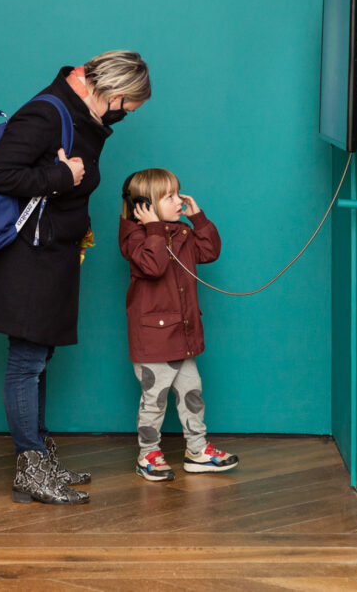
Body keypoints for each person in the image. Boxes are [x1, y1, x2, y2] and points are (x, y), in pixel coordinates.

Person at [0, 51, 151, 505]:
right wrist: (62, 175)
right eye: (127, 108)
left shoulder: (79, 113)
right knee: (26, 361)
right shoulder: (47, 112)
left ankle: (41, 459)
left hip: (52, 254)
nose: (124, 117)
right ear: (111, 93)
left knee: (39, 358)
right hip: (27, 260)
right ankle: (30, 466)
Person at [118, 168, 239, 481]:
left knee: (192, 394)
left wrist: (198, 218)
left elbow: (209, 252)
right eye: (169, 196)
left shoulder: (181, 232)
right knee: (154, 401)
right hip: (154, 339)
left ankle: (197, 449)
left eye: (177, 193)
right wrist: (154, 227)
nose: (178, 201)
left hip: (181, 335)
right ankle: (148, 455)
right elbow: (154, 266)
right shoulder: (136, 238)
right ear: (144, 206)